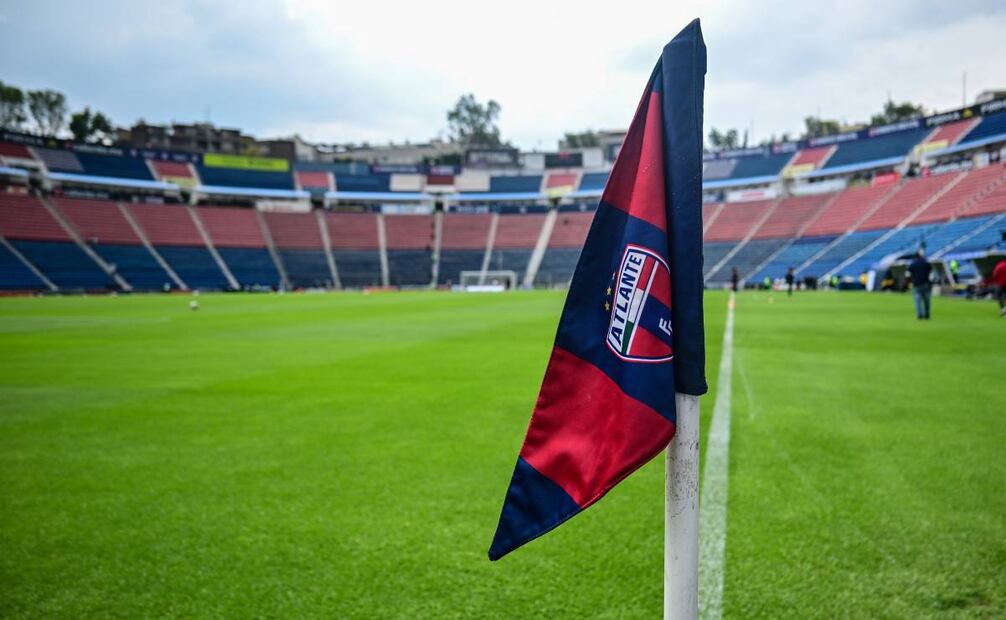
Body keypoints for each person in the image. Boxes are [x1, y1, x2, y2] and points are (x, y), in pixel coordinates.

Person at [907, 250, 932, 320]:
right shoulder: (926, 263)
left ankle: (919, 314)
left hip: (916, 284)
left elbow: (908, 274)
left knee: (917, 301)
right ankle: (927, 314)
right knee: (927, 301)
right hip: (926, 284)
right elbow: (930, 272)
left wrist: (909, 283)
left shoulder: (913, 264)